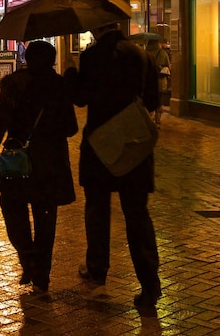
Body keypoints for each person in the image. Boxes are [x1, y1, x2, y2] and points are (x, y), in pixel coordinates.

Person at [68, 21, 161, 309]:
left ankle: (97, 268)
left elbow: (80, 99)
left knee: (97, 208)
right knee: (137, 215)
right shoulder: (142, 55)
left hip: (100, 145)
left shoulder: (92, 57)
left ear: (98, 28)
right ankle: (149, 284)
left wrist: (72, 73)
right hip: (134, 143)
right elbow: (154, 100)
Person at [0, 41, 77, 293]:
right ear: (52, 60)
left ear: (26, 58)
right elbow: (71, 128)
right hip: (49, 165)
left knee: (13, 210)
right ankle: (42, 275)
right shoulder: (59, 86)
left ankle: (27, 255)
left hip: (17, 163)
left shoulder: (14, 84)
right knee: (46, 221)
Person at [146, 39, 172, 127]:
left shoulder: (146, 54)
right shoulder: (163, 53)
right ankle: (158, 121)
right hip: (161, 82)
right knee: (159, 101)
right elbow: (168, 66)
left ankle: (150, 119)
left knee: (149, 101)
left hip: (149, 82)